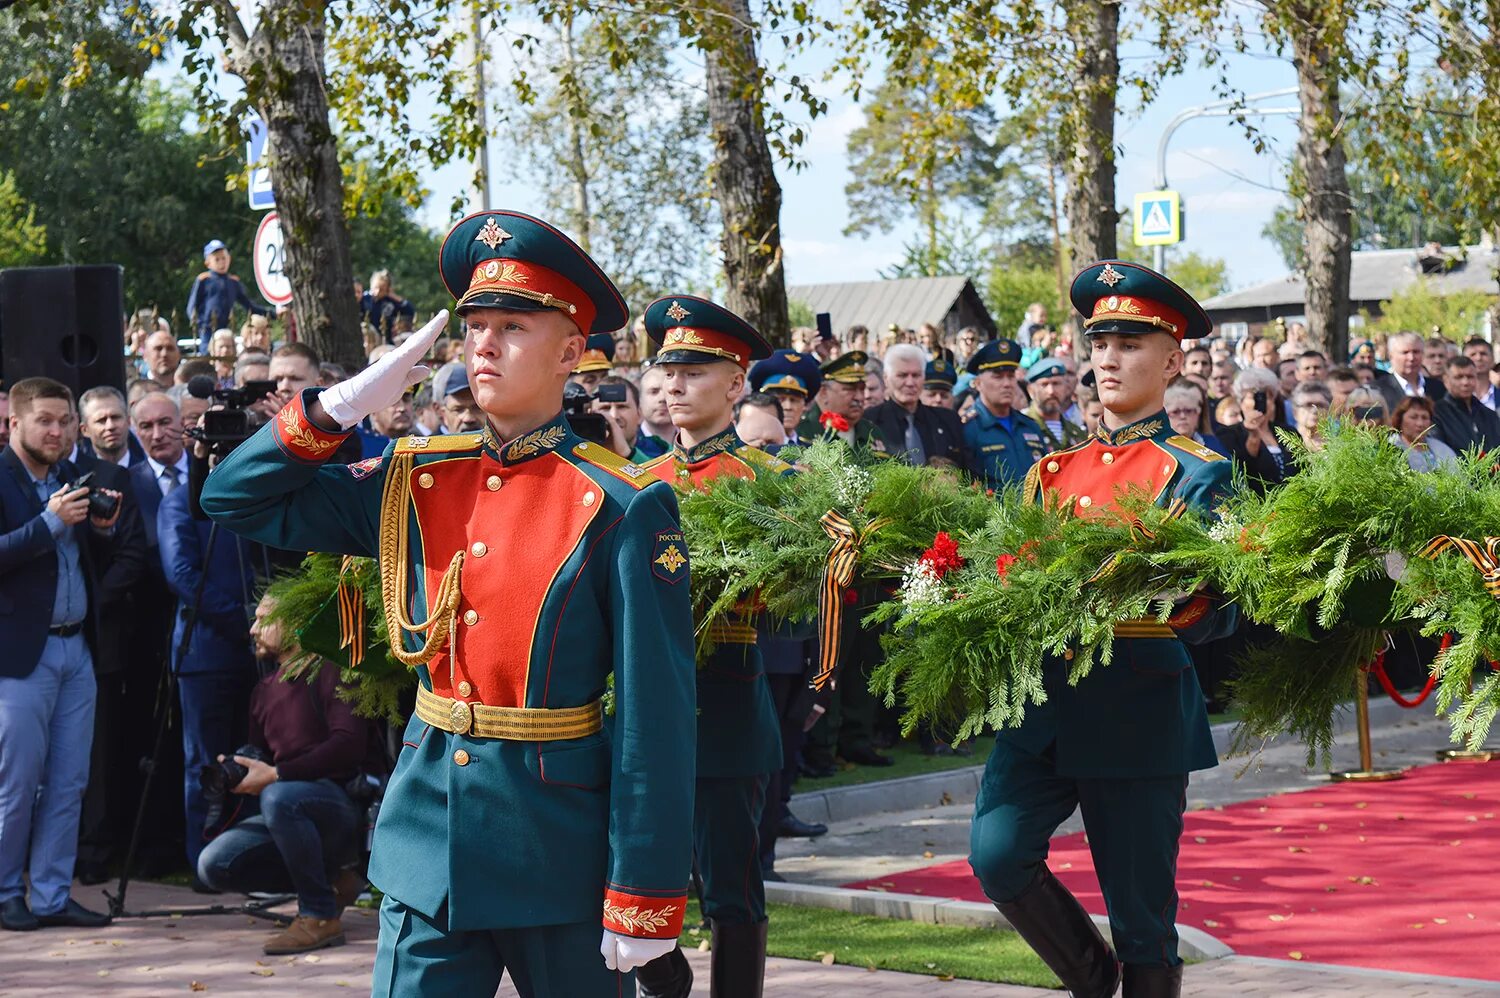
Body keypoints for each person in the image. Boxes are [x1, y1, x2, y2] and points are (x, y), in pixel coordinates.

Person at [201, 210, 696, 996]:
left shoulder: (622, 504)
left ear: (571, 351)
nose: (485, 345)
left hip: (556, 854)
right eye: (475, 326)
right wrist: (338, 407)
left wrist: (644, 894)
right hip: (428, 841)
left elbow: (656, 718)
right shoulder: (415, 477)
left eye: (512, 326)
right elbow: (232, 497)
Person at [969, 261, 1237, 998]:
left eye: (1131, 344)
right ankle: (1094, 982)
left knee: (1142, 918)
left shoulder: (1197, 472)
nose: (1110, 359)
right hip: (1043, 712)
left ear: (1173, 361)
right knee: (996, 855)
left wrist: (1178, 592)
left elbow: (1223, 610)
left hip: (1137, 711)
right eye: (1102, 344)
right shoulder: (1049, 472)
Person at [636, 295, 787, 998]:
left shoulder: (773, 482)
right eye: (668, 372)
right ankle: (665, 982)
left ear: (735, 384)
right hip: (638, 706)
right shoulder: (637, 485)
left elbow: (803, 594)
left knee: (730, 888)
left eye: (693, 372)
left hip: (725, 699)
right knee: (628, 870)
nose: (674, 386)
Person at [0, 378, 124, 931]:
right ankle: (6, 893)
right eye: (45, 421)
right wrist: (50, 521)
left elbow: (90, 560)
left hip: (78, 650)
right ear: (15, 424)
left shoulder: (75, 476)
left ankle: (51, 894)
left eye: (64, 421)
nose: (56, 431)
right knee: (17, 782)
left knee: (70, 780)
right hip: (19, 656)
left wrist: (100, 528)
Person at [196, 594, 383, 955]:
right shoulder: (263, 691)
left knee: (280, 796)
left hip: (343, 805)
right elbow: (264, 760)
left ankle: (319, 915)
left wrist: (276, 774)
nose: (252, 628)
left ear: (294, 621)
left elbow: (349, 745)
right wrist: (244, 769)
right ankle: (331, 883)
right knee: (212, 865)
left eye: (263, 618)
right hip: (288, 808)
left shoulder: (333, 669)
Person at [158, 452, 261, 875]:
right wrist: (247, 620)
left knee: (253, 755)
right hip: (206, 652)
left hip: (261, 653)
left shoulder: (254, 493)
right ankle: (204, 862)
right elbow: (181, 573)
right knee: (205, 762)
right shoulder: (182, 500)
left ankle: (249, 861)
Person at [961, 339, 1048, 490]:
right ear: (978, 383)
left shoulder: (1030, 426)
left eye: (1011, 375)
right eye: (998, 376)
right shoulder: (967, 429)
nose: (1007, 383)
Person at [866, 343, 965, 468]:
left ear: (924, 377)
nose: (910, 382)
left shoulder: (949, 420)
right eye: (902, 375)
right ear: (886, 378)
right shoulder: (868, 422)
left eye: (916, 375)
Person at [187, 239, 272, 352]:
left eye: (224, 258)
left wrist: (273, 312)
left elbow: (250, 306)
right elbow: (192, 307)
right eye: (217, 259)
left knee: (227, 353)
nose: (221, 262)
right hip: (208, 328)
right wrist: (199, 323)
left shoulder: (233, 282)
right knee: (208, 354)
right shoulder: (204, 280)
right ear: (208, 263)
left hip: (226, 327)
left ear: (229, 259)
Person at [1215, 366, 1292, 491]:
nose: (1262, 401)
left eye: (1268, 396)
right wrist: (1253, 437)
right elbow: (1241, 470)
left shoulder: (1288, 432)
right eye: (1255, 396)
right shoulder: (1228, 434)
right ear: (1241, 401)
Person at [809, 352, 887, 452]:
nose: (859, 397)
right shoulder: (805, 431)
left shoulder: (872, 432)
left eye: (862, 389)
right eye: (850, 389)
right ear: (824, 392)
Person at [748, 349, 821, 446]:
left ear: (805, 405)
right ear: (763, 403)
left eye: (794, 400)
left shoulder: (813, 453)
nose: (788, 407)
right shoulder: (751, 449)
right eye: (780, 399)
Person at [1432, 355, 1500, 455]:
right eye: (1458, 377)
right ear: (1446, 380)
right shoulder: (1436, 413)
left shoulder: (1489, 414)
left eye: (1470, 376)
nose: (1465, 382)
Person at [1024, 357, 1088, 451]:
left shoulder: (1077, 433)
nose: (1051, 391)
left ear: (1066, 387)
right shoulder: (1022, 428)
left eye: (1056, 383)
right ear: (1031, 390)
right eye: (1044, 384)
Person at [77, 386, 145, 467]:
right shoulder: (75, 475)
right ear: (85, 430)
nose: (110, 426)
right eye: (101, 420)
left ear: (128, 421)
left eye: (115, 417)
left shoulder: (153, 472)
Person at [1390, 395, 1458, 472]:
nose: (1420, 424)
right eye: (1413, 417)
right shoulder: (1390, 448)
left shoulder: (1442, 449)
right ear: (1400, 420)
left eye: (1425, 417)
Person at [1164, 381, 1228, 458]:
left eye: (1188, 411)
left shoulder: (1212, 443)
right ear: (1166, 415)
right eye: (1175, 412)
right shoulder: (1160, 445)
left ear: (1198, 413)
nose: (1183, 416)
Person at [593, 374, 648, 461]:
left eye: (622, 407)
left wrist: (630, 455)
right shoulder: (579, 453)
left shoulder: (662, 452)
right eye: (605, 408)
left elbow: (659, 474)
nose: (614, 416)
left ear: (640, 414)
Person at [361, 270, 416, 345]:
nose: (377, 292)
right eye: (376, 287)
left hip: (385, 340)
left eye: (381, 289)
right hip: (366, 339)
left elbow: (409, 311)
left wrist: (393, 296)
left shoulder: (390, 302)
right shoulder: (364, 298)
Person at [1388, 331, 1445, 400]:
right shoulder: (1379, 390)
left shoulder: (1439, 388)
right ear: (1391, 356)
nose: (1411, 358)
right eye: (1405, 352)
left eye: (1416, 352)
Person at [636, 363, 674, 459]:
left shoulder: (693, 441)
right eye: (654, 391)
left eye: (668, 391)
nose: (662, 398)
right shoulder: (628, 445)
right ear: (639, 399)